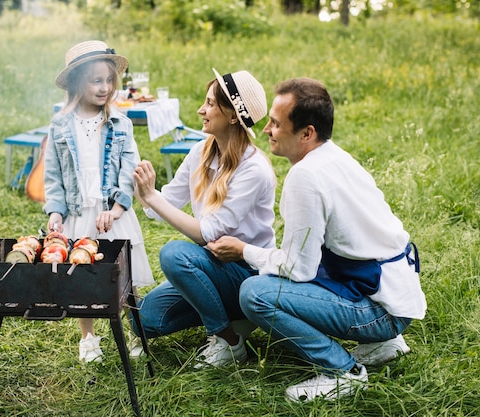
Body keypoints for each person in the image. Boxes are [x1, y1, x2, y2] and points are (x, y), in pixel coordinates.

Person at [207, 78, 427, 401]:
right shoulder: (335, 157)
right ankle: (384, 344)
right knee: (270, 280)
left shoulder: (305, 176)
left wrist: (243, 250)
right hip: (397, 294)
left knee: (255, 293)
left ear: (307, 133)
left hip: (381, 308)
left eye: (276, 124)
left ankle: (343, 371)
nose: (266, 129)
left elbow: (298, 270)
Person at [130, 69, 276, 368]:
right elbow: (158, 205)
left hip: (244, 273)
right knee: (143, 321)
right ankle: (233, 318)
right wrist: (141, 189)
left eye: (210, 103)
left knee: (174, 254)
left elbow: (207, 234)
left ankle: (229, 339)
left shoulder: (253, 169)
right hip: (210, 268)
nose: (201, 109)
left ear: (233, 116)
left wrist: (154, 198)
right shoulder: (201, 152)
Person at [43, 40, 154, 363]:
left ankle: (135, 331)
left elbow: (127, 170)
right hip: (79, 214)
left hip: (113, 214)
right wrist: (55, 211)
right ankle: (88, 337)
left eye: (109, 80)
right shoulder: (61, 125)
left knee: (125, 277)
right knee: (83, 278)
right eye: (96, 81)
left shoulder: (121, 123)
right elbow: (54, 176)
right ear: (78, 82)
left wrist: (118, 208)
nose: (105, 87)